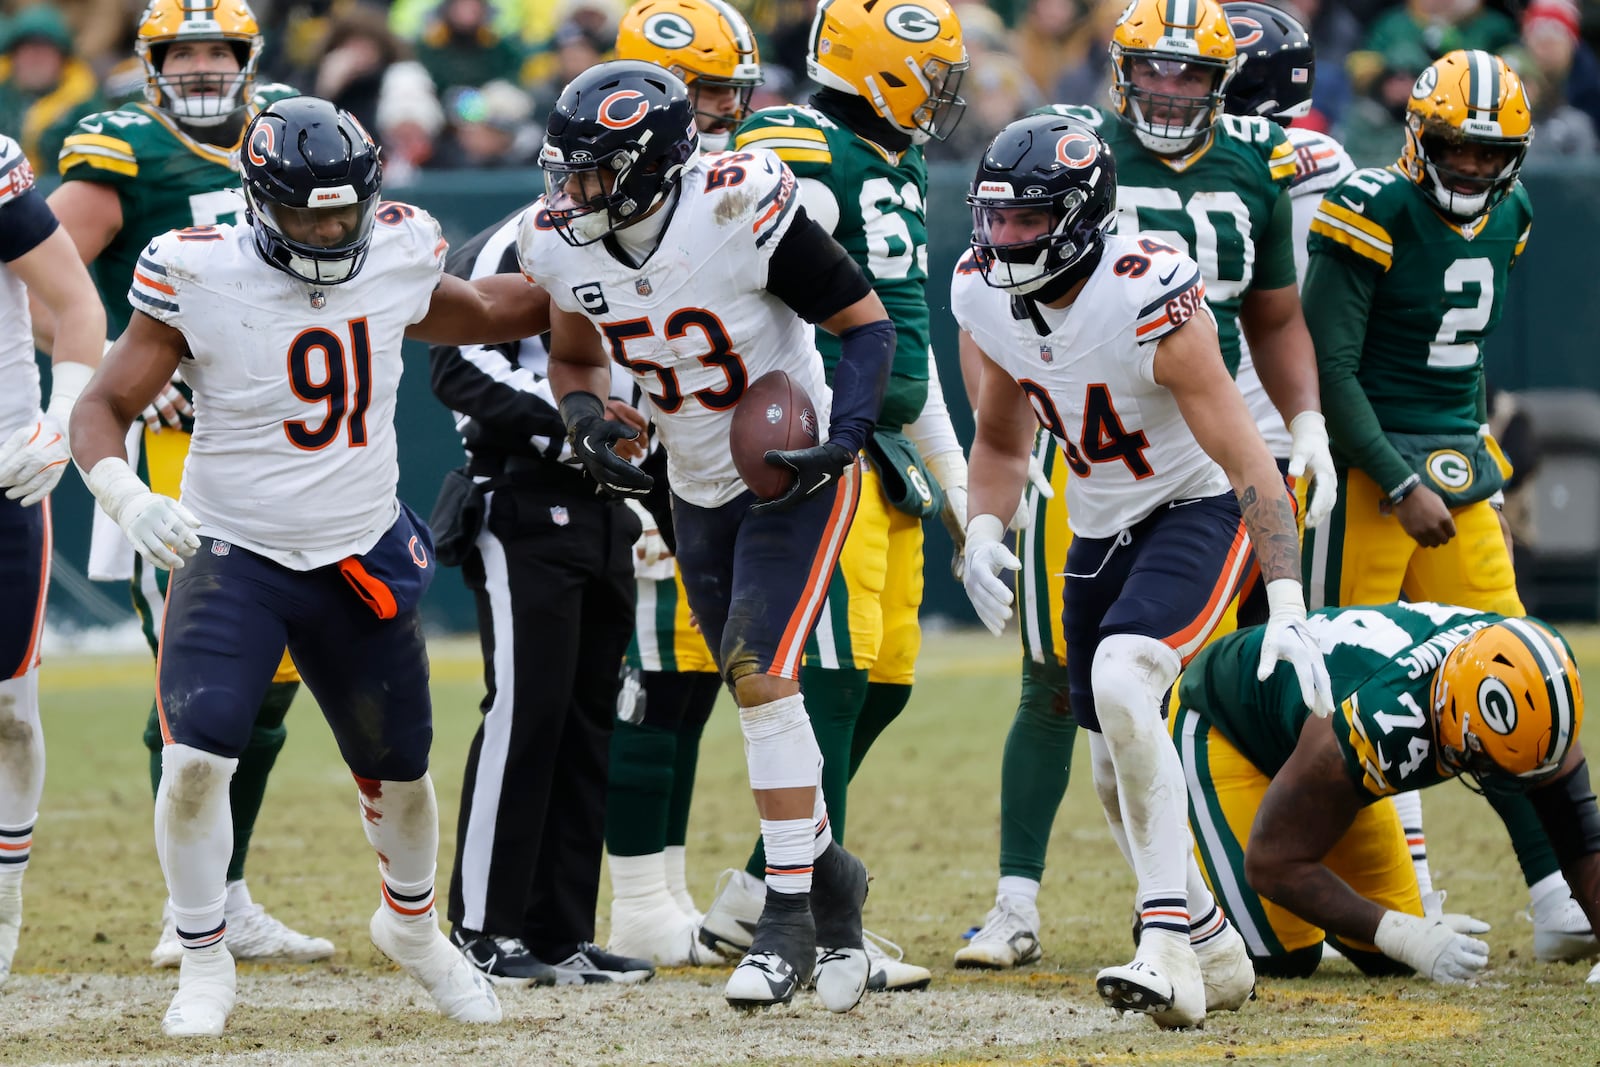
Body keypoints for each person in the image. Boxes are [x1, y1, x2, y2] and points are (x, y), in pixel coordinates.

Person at [69, 96, 552, 1038]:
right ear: (257, 202)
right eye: (307, 214)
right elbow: (102, 406)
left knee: (403, 773)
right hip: (234, 551)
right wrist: (128, 496)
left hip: (358, 549)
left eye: (345, 210)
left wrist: (604, 266)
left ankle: (412, 926)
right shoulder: (197, 271)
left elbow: (492, 310)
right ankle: (203, 953)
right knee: (197, 759)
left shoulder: (402, 249)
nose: (331, 230)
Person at [956, 0, 1339, 973]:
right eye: (992, 215)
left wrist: (1286, 592)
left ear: (1079, 217)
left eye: (1027, 217)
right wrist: (983, 527)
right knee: (1104, 760)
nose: (1004, 235)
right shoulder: (979, 288)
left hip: (1194, 503)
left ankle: (1164, 937)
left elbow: (1246, 461)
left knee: (1128, 678)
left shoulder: (1147, 290)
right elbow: (999, 440)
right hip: (1097, 519)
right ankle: (1211, 940)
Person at [525, 60, 891, 1012]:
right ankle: (836, 881)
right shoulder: (562, 244)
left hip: (790, 465)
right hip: (692, 480)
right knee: (749, 685)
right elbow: (573, 356)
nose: (572, 194)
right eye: (567, 172)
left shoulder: (738, 202)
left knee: (758, 668)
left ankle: (789, 918)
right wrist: (588, 419)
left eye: (594, 174)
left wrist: (844, 434)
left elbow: (865, 324)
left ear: (654, 168)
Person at [38, 0, 329, 969]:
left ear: (249, 58)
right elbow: (45, 286)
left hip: (284, 437)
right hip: (178, 453)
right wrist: (124, 373)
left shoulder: (293, 124)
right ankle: (188, 908)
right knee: (199, 676)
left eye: (218, 50)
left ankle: (231, 892)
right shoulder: (123, 147)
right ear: (151, 62)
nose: (202, 67)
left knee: (275, 684)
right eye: (183, 51)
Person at [1302, 48, 1596, 963]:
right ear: (1417, 138)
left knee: (1517, 682)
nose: (1470, 168)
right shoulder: (1370, 209)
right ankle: (1394, 896)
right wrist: (1396, 478)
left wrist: (1470, 466)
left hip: (1455, 470)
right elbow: (1330, 370)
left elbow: (1460, 368)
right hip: (1365, 469)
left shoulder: (1515, 210)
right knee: (1357, 694)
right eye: (1454, 149)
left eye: (1486, 152)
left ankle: (1556, 897)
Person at [714, 0, 974, 991]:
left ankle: (759, 883)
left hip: (887, 446)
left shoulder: (889, 154)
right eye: (932, 71)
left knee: (885, 680)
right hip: (823, 445)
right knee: (827, 678)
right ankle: (816, 912)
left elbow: (903, 333)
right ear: (879, 67)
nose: (946, 94)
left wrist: (957, 488)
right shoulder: (794, 146)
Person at [427, 206, 657, 987]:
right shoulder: (517, 239)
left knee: (590, 720)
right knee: (526, 713)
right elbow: (452, 363)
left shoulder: (666, 236)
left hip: (605, 506)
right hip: (523, 495)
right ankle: (483, 926)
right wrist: (574, 425)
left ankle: (561, 931)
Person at [1174, 601, 1600, 986]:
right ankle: (1181, 903)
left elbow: (1579, 834)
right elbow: (1271, 863)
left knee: (1386, 961)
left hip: (1317, 744)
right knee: (1283, 956)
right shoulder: (1379, 725)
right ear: (1451, 720)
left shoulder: (1534, 671)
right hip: (1225, 725)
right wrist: (1402, 934)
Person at [604, 0, 764, 967]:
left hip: (711, 459)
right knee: (654, 681)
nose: (711, 112)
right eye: (693, 91)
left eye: (721, 92)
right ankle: (638, 900)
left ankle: (662, 891)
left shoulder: (729, 191)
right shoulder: (571, 209)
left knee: (694, 681)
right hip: (639, 470)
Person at [0, 134, 106, 987]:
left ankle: (2, 900)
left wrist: (64, 411)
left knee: (9, 705)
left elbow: (76, 302)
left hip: (2, 471)